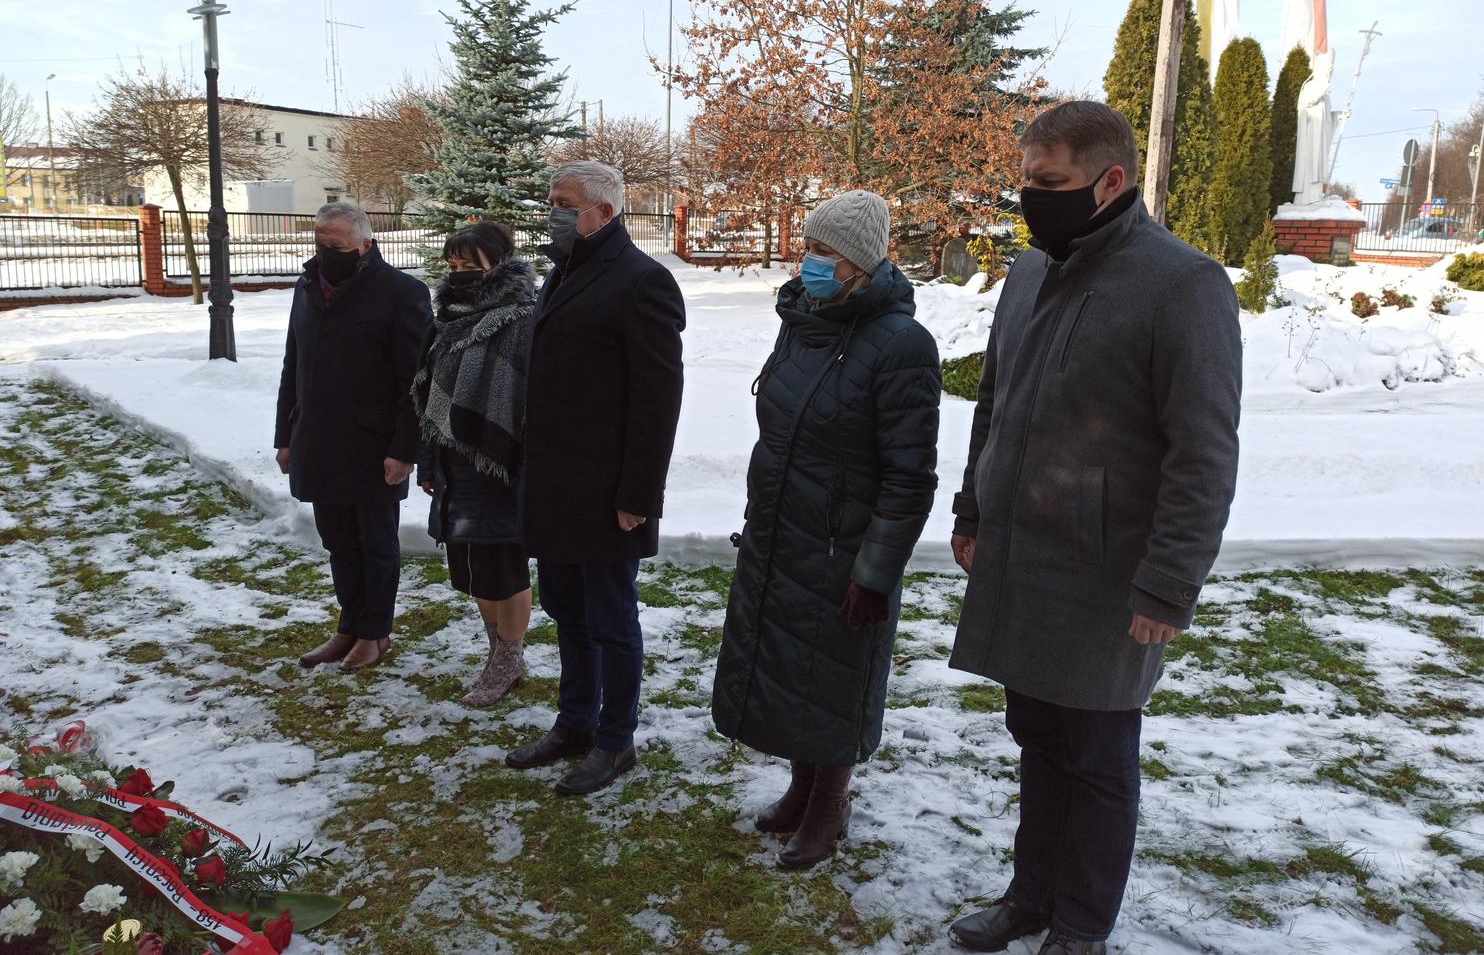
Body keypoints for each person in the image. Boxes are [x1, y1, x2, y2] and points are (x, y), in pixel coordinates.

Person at [945, 101, 1242, 955]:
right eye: (1027, 180)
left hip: (1110, 576)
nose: (1032, 197)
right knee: (1036, 735)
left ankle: (1082, 925)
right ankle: (1031, 895)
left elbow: (1204, 453)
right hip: (1023, 555)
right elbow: (995, 404)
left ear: (1110, 181)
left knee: (1098, 753)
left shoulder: (1183, 284)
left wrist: (1167, 582)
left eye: (1052, 182)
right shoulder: (1030, 272)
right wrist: (973, 510)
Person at [711, 190, 941, 869]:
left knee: (836, 676)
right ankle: (801, 787)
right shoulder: (804, 321)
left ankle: (828, 805)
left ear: (862, 264)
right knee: (791, 669)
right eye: (807, 247)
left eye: (824, 253)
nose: (807, 262)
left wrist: (875, 572)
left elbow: (909, 476)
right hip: (786, 526)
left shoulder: (902, 345)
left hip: (846, 546)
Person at [505, 161, 686, 796]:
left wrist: (639, 495)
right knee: (567, 611)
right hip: (554, 486)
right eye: (550, 200)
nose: (552, 212)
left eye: (564, 203)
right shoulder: (563, 273)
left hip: (608, 493)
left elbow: (657, 400)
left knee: (610, 619)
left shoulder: (644, 282)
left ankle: (616, 739)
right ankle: (574, 722)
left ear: (604, 213)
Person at [275, 202, 433, 671]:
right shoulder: (307, 287)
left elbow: (414, 379)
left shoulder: (401, 292)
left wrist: (405, 450)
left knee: (375, 542)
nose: (327, 254)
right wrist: (286, 435)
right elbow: (293, 365)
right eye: (320, 245)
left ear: (365, 243)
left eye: (337, 246)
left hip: (373, 445)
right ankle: (348, 625)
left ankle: (375, 632)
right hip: (318, 440)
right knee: (338, 540)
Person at [413, 222, 536, 707]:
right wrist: (428, 459)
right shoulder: (447, 316)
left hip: (502, 466)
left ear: (499, 263)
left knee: (503, 569)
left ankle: (508, 657)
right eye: (454, 264)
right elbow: (423, 391)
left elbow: (529, 398)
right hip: (453, 465)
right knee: (470, 572)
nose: (459, 273)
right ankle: (498, 650)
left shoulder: (524, 317)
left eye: (471, 264)